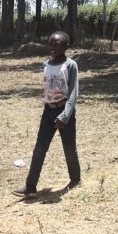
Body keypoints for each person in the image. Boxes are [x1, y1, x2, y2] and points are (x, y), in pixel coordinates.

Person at [13, 31, 81, 198]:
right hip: (48, 111)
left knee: (69, 148)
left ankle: (75, 179)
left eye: (56, 45)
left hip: (64, 112)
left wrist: (65, 115)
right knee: (39, 148)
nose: (52, 47)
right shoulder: (46, 64)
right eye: (50, 44)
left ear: (66, 46)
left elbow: (73, 93)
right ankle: (30, 186)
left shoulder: (70, 65)